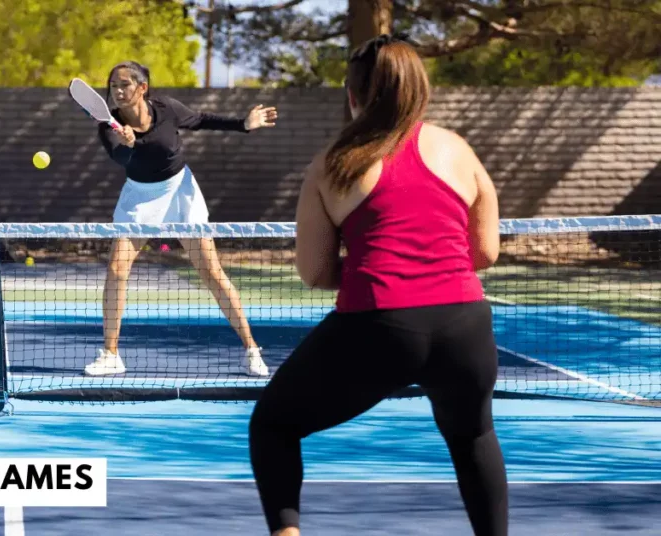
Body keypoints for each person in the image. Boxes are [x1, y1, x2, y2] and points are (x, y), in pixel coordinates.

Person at [248, 35, 507, 535]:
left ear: (353, 95)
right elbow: (484, 253)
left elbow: (316, 272)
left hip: (379, 326)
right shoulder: (459, 151)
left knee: (273, 426)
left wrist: (380, 271)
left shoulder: (333, 161)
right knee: (474, 436)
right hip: (465, 328)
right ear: (421, 90)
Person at [82, 60, 278, 378]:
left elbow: (201, 120)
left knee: (211, 272)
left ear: (142, 87)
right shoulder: (108, 126)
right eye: (113, 86)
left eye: (124, 85)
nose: (117, 91)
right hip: (138, 197)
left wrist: (244, 123)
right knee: (117, 269)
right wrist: (128, 146)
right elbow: (119, 157)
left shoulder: (167, 109)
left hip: (180, 191)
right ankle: (111, 353)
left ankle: (252, 350)